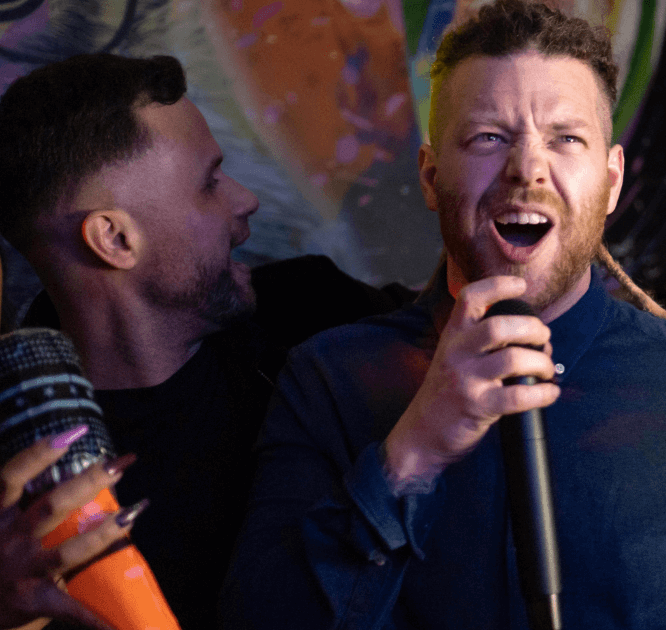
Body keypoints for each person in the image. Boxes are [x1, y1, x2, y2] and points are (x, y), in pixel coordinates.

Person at [220, 1, 666, 628]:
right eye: (488, 137)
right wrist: (411, 454)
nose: (527, 168)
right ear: (430, 175)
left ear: (610, 184)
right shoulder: (327, 380)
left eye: (566, 139)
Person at [0, 54, 408, 629]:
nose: (245, 200)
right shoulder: (24, 481)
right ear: (114, 239)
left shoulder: (314, 311)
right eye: (209, 183)